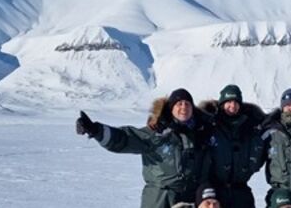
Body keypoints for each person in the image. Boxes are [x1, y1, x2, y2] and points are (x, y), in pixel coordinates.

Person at [77, 87, 213, 208]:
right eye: (179, 103)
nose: (183, 107)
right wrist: (96, 130)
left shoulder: (200, 133)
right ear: (171, 108)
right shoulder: (157, 132)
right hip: (159, 199)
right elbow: (125, 138)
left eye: (187, 104)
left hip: (188, 199)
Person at [201, 84, 267, 208]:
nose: (232, 106)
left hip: (241, 191)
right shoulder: (210, 125)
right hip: (215, 193)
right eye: (228, 102)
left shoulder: (251, 126)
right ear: (221, 104)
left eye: (236, 102)